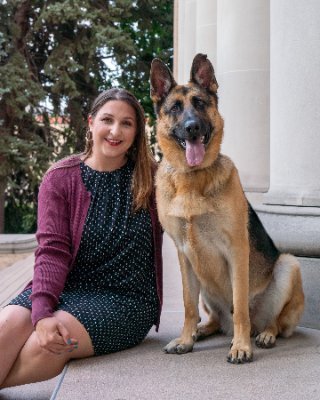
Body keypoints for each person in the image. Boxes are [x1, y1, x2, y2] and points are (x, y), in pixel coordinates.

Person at [0, 88, 163, 388]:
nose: (115, 131)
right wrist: (41, 312)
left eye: (127, 123)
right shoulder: (60, 178)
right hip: (64, 287)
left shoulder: (153, 179)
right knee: (6, 327)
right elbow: (52, 252)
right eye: (107, 120)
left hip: (125, 300)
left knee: (47, 344)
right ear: (91, 123)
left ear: (137, 131)